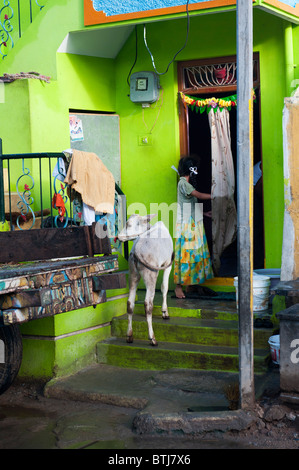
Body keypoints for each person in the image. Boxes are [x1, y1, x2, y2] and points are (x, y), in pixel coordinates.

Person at [174, 156, 214, 299]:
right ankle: (178, 286)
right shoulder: (184, 183)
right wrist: (214, 195)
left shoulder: (186, 184)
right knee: (184, 254)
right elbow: (198, 195)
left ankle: (190, 284)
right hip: (186, 224)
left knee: (193, 253)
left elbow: (189, 204)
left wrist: (204, 213)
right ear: (191, 170)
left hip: (192, 221)